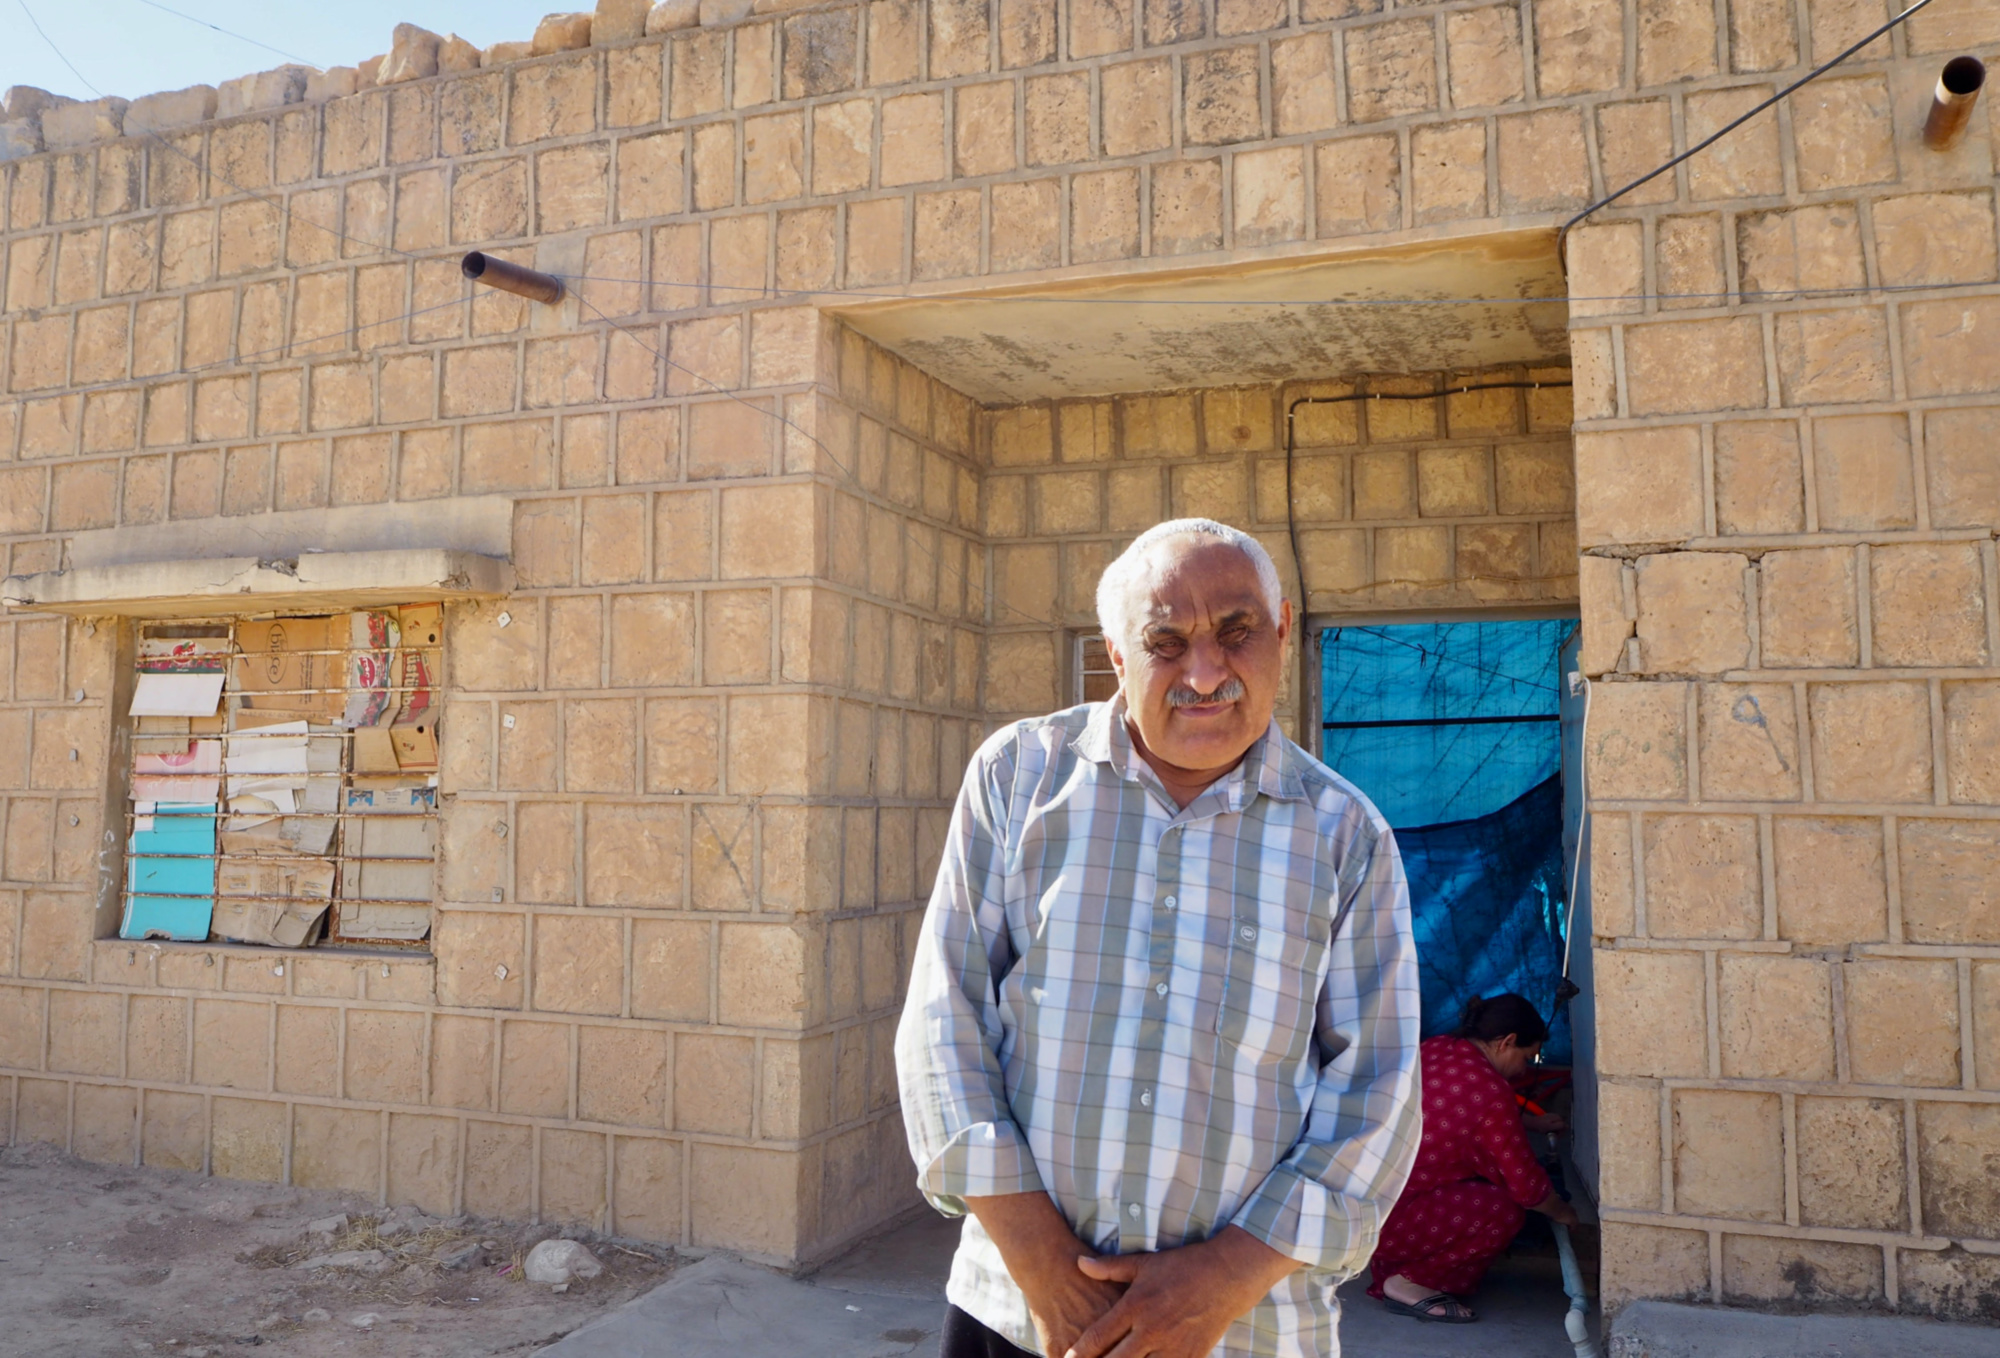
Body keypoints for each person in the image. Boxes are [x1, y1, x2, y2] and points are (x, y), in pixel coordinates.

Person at [895, 518, 1421, 1358]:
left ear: (1282, 629)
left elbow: (1376, 1092)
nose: (1204, 674)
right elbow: (943, 1021)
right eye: (1165, 643)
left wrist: (1227, 1275)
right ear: (1116, 654)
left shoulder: (1345, 838)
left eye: (1236, 632)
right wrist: (1044, 1267)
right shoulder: (1018, 778)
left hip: (1244, 1329)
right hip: (1020, 1311)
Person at [1365, 992, 1582, 1324]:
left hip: (1361, 1206)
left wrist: (1531, 1123)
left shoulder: (1438, 1047)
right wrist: (1563, 1211)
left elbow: (1460, 1111)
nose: (1524, 1069)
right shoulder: (1491, 1092)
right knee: (1504, 1211)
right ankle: (1409, 1281)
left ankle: (1396, 1259)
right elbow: (1528, 1188)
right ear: (1506, 1042)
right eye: (1527, 1057)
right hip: (1393, 1223)